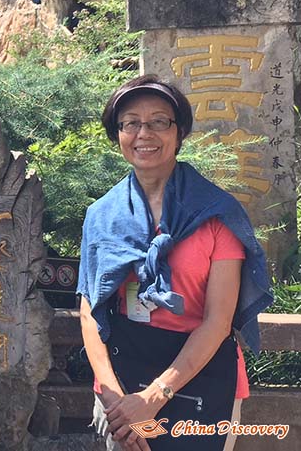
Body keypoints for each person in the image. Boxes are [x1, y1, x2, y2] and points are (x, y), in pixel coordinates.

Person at [78, 75, 272, 451]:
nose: (143, 133)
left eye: (158, 121)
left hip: (197, 380)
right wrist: (116, 400)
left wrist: (152, 398)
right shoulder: (102, 216)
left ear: (179, 132)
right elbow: (89, 308)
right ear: (117, 134)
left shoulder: (216, 215)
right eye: (130, 122)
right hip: (121, 381)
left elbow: (217, 321)